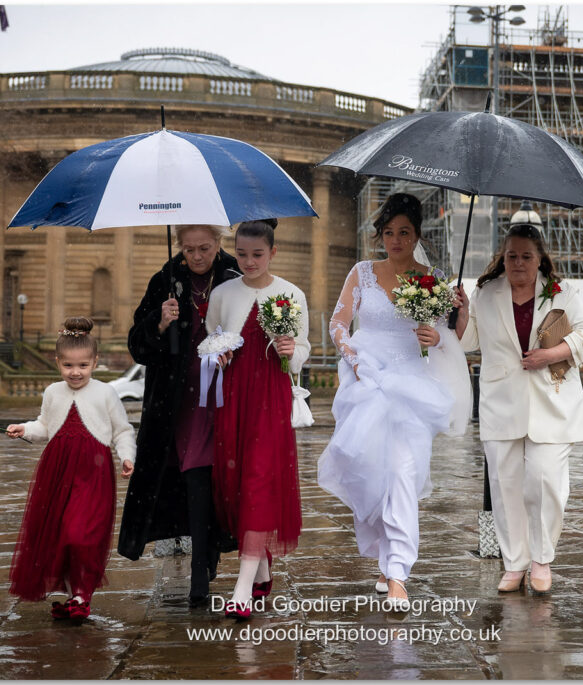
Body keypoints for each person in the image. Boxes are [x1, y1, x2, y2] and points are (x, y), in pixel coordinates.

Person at [318, 193, 470, 612]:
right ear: (380, 235)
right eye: (389, 232)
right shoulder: (362, 272)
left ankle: (399, 572)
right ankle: (385, 561)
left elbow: (448, 334)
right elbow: (338, 323)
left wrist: (442, 329)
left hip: (411, 383)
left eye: (404, 232)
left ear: (417, 234)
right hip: (366, 377)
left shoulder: (433, 277)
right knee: (372, 472)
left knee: (403, 471)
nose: (396, 240)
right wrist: (352, 358)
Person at [455, 223, 583, 595]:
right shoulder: (485, 292)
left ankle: (541, 560)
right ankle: (514, 563)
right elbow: (468, 341)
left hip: (553, 400)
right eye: (512, 255)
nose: (518, 263)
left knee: (545, 482)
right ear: (502, 257)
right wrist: (462, 311)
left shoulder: (563, 291)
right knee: (505, 487)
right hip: (501, 401)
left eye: (526, 256)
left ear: (540, 258)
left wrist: (551, 354)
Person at [116, 225, 240, 607]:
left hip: (223, 398)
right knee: (194, 477)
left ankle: (210, 552)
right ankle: (200, 570)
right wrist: (159, 321)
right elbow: (137, 345)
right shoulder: (164, 280)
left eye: (204, 248)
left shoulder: (236, 274)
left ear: (219, 243)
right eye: (189, 249)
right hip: (178, 403)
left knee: (215, 478)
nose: (197, 256)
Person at [205, 218, 310, 620]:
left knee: (259, 483)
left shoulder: (291, 294)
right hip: (232, 400)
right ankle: (262, 568)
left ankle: (243, 588)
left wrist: (289, 349)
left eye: (258, 254)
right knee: (235, 484)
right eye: (242, 254)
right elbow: (210, 341)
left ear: (273, 253)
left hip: (271, 398)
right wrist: (216, 354)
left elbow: (302, 352)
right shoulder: (222, 293)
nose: (249, 261)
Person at [6, 316, 136, 623]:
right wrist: (24, 429)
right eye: (67, 366)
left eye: (82, 366)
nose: (75, 373)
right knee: (61, 533)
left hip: (94, 472)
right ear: (57, 362)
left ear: (95, 361)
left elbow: (122, 430)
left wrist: (127, 456)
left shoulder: (105, 393)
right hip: (57, 472)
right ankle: (74, 593)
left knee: (82, 533)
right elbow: (45, 426)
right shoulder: (53, 392)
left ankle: (82, 592)